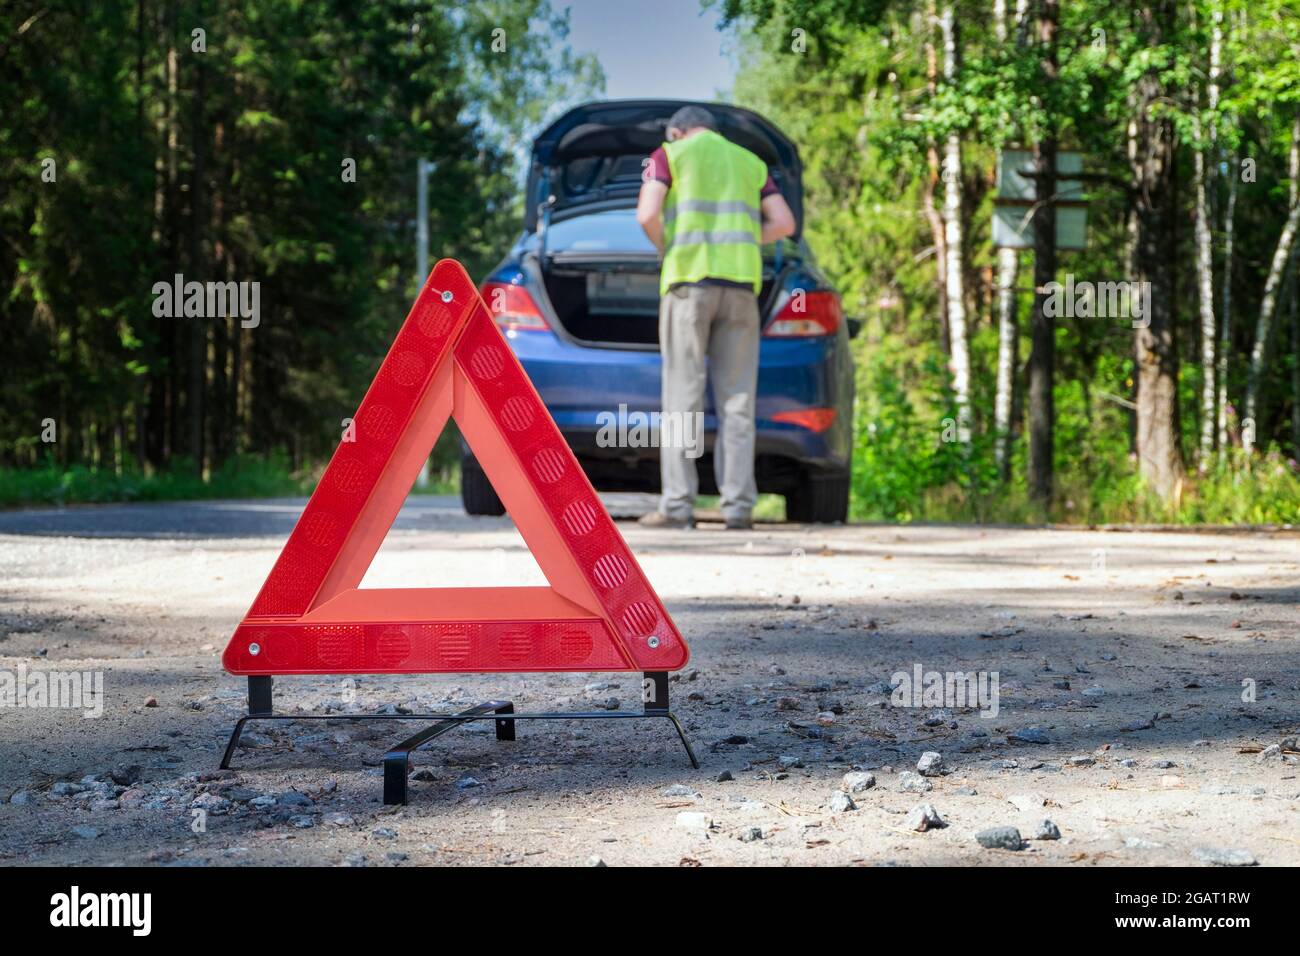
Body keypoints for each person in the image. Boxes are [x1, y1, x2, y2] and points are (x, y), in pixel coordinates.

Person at [635, 105, 796, 530]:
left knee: (683, 399)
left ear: (677, 131)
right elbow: (783, 223)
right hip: (741, 289)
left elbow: (647, 214)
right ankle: (739, 507)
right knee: (738, 401)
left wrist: (668, 248)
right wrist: (745, 242)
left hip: (689, 284)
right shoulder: (750, 162)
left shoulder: (669, 155)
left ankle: (677, 506)